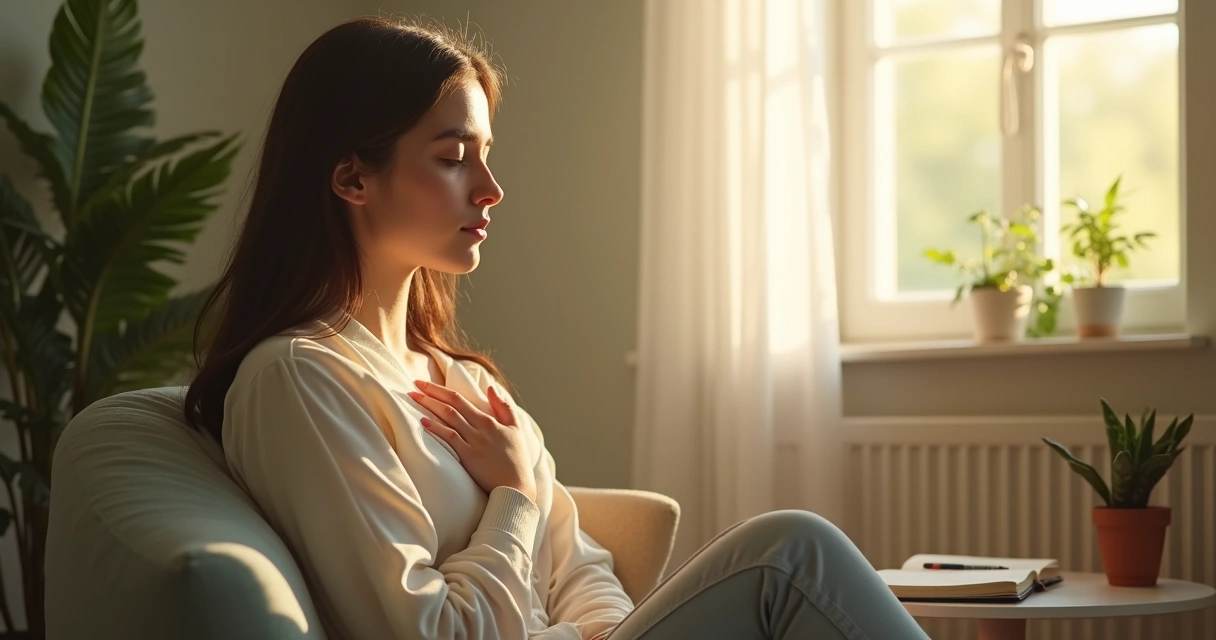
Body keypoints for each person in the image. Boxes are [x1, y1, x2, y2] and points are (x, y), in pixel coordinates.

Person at [183, 15, 932, 640]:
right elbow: (426, 630)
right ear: (352, 179)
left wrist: (602, 630)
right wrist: (513, 495)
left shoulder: (463, 381)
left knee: (793, 556)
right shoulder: (301, 379)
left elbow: (582, 569)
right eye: (452, 158)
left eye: (486, 154)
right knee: (788, 555)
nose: (491, 189)